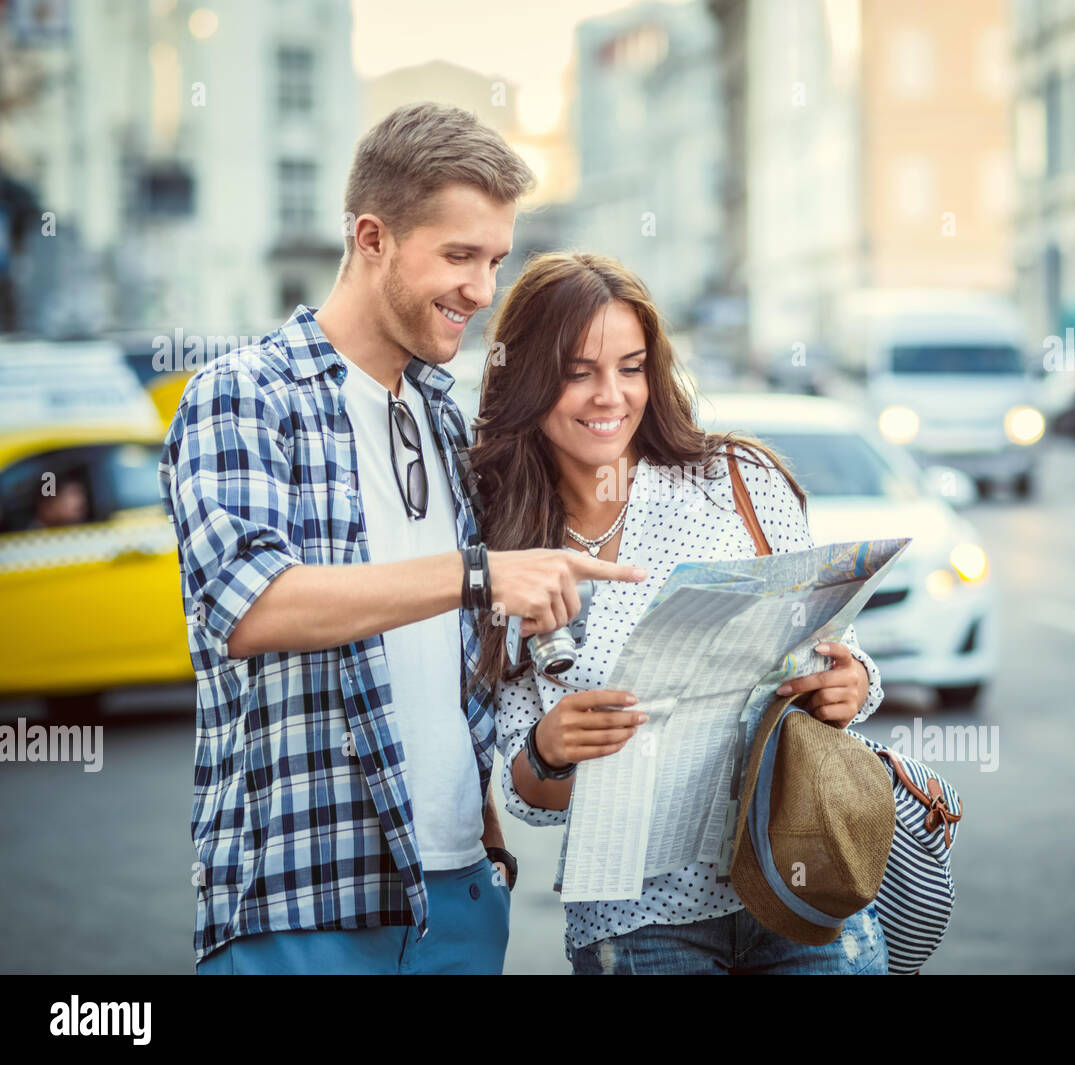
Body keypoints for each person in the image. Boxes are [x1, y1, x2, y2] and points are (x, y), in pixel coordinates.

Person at [159, 105, 646, 976]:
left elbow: (450, 662)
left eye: (496, 260)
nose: (483, 290)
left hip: (459, 899)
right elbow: (254, 605)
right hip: (306, 902)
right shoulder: (243, 394)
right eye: (459, 256)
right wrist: (478, 574)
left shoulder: (442, 415)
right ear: (373, 236)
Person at [471, 252, 889, 974]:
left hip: (796, 874)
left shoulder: (738, 482)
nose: (611, 395)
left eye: (630, 367)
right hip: (638, 919)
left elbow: (834, 653)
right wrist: (550, 744)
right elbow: (529, 796)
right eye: (579, 371)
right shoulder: (504, 542)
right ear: (529, 378)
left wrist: (850, 685)